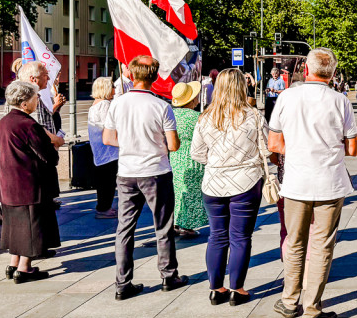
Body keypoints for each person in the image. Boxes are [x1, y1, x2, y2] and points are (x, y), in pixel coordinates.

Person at [268, 48, 357, 318]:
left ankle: (288, 300)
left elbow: (274, 144)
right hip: (329, 182)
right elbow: (353, 148)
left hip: (295, 182)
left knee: (294, 242)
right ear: (332, 73)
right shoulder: (340, 101)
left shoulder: (286, 97)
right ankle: (312, 309)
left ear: (305, 70)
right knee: (321, 245)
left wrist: (296, 151)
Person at [102, 55, 187, 300]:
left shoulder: (117, 103)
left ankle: (122, 282)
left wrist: (130, 144)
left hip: (127, 172)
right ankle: (168, 275)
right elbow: (173, 145)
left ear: (130, 74)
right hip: (156, 172)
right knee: (163, 226)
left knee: (124, 230)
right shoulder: (161, 106)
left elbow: (108, 138)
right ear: (154, 77)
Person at [191, 68, 270, 305]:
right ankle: (238, 289)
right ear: (242, 87)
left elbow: (197, 153)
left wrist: (217, 163)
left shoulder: (205, 117)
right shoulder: (253, 116)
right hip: (246, 182)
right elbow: (267, 148)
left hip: (213, 184)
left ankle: (216, 288)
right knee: (240, 237)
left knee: (217, 236)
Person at [0, 81, 60, 283]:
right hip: (28, 183)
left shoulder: (4, 121)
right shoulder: (29, 124)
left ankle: (13, 263)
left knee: (15, 225)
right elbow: (48, 156)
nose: (37, 100)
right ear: (24, 103)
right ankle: (24, 268)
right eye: (35, 97)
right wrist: (55, 148)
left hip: (8, 182)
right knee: (30, 226)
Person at [170, 81, 206, 239]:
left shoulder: (170, 114)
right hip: (192, 159)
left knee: (178, 191)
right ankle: (187, 225)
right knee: (192, 191)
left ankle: (175, 222)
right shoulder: (197, 117)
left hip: (175, 157)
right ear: (191, 100)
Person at [87, 77, 119, 219]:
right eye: (112, 85)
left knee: (104, 181)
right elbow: (111, 126)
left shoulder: (95, 104)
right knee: (108, 181)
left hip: (100, 149)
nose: (115, 88)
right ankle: (104, 208)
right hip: (108, 150)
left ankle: (104, 207)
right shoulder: (105, 105)